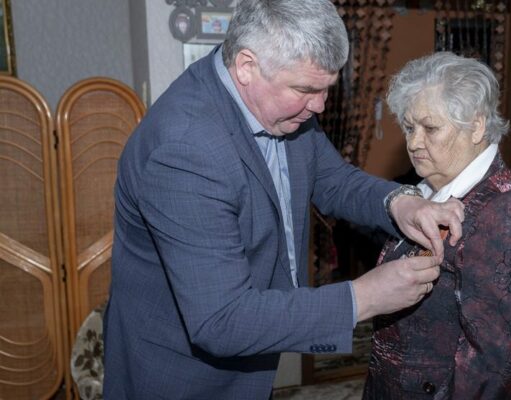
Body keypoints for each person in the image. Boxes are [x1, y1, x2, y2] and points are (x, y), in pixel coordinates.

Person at [103, 1, 465, 399]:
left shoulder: (279, 105)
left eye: (326, 89)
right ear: (246, 66)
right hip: (185, 380)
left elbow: (332, 179)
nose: (319, 106)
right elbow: (221, 320)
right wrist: (364, 297)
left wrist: (400, 202)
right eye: (306, 90)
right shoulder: (184, 151)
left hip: (253, 360)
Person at [363, 52, 511, 399]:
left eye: (430, 128)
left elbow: (494, 369)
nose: (413, 142)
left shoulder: (508, 219)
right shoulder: (427, 191)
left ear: (476, 126)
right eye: (409, 127)